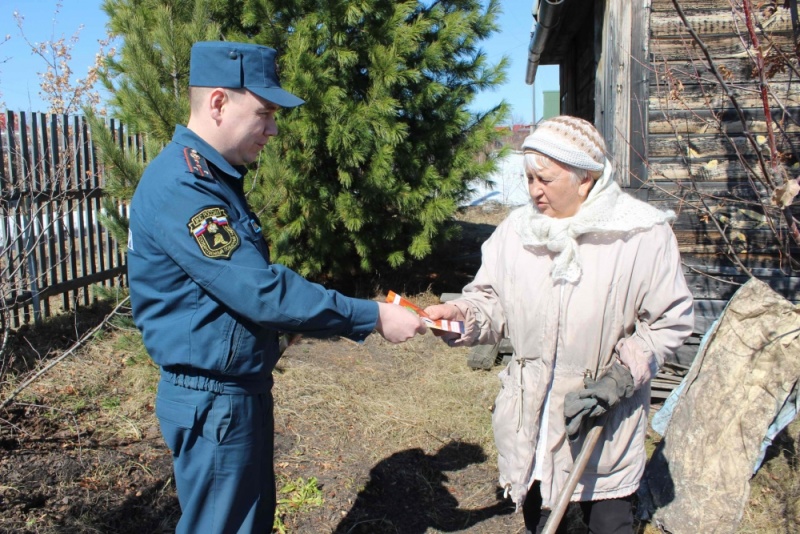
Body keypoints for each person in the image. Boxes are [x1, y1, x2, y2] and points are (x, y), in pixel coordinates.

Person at [126, 41, 427, 534]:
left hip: (234, 394)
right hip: (214, 401)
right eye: (263, 113)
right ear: (219, 103)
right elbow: (261, 291)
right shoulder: (184, 187)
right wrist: (372, 315)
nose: (272, 129)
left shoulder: (213, 179)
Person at [424, 116, 694, 534]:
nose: (533, 190)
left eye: (544, 179)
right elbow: (491, 301)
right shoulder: (517, 232)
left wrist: (622, 377)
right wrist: (461, 318)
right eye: (528, 177)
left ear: (585, 178)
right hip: (531, 428)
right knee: (542, 522)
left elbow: (670, 321)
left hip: (600, 432)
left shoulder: (641, 234)